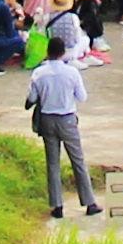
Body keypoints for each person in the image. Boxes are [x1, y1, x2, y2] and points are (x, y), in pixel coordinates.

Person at [24, 22, 102, 219]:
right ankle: (89, 202)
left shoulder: (39, 73)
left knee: (52, 162)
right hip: (67, 119)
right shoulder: (72, 73)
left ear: (48, 52)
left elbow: (32, 98)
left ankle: (57, 205)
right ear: (62, 53)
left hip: (48, 120)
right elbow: (82, 97)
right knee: (78, 160)